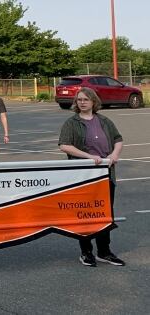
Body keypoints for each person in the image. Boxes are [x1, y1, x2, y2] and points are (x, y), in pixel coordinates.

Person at [58, 87, 125, 267]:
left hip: (105, 175)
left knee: (104, 214)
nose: (82, 102)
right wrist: (89, 157)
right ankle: (86, 252)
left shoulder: (104, 121)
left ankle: (104, 251)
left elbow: (118, 139)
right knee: (85, 214)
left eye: (86, 99)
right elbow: (64, 145)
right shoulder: (72, 123)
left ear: (93, 102)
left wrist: (114, 155)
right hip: (84, 176)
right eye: (79, 99)